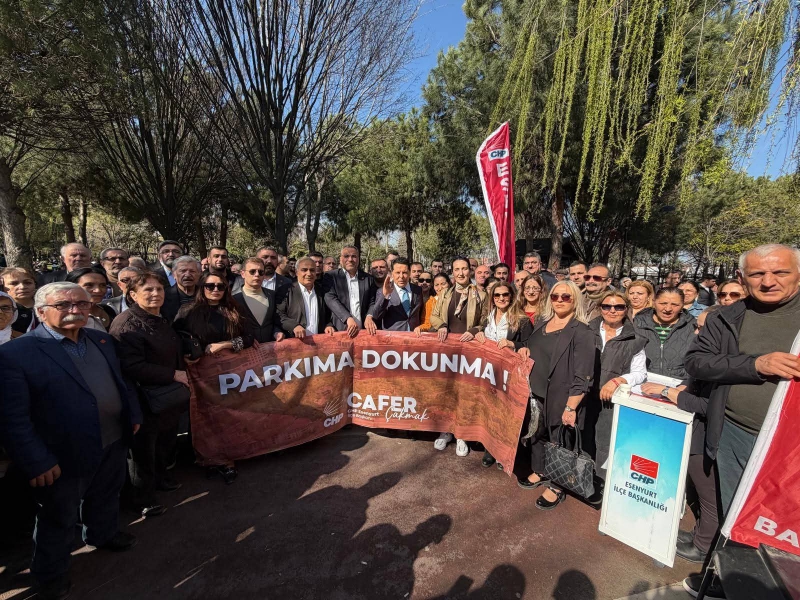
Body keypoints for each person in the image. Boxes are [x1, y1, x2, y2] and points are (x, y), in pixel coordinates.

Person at [0, 282, 141, 600]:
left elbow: (121, 382)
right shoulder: (15, 353)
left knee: (106, 494)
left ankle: (103, 534)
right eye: (63, 305)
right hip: (60, 454)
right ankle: (50, 574)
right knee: (58, 516)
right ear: (40, 312)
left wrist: (131, 414)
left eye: (82, 303)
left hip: (112, 438)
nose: (75, 310)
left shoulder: (101, 339)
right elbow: (12, 418)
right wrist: (36, 461)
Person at [682, 244, 800, 597]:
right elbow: (697, 362)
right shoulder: (726, 317)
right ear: (741, 277)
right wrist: (754, 365)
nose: (768, 281)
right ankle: (734, 580)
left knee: (786, 525)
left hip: (791, 446)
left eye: (780, 272)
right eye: (757, 274)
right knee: (738, 516)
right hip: (735, 434)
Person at [110, 272, 187, 518]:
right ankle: (142, 499)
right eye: (148, 290)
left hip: (166, 397)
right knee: (143, 452)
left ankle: (161, 479)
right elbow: (131, 366)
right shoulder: (126, 325)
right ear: (133, 295)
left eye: (159, 289)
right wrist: (173, 374)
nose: (156, 294)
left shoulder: (159, 317)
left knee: (164, 443)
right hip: (143, 399)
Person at [516, 280, 595, 510]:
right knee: (538, 434)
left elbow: (584, 375)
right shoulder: (543, 322)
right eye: (555, 296)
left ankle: (558, 485)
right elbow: (532, 345)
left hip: (562, 397)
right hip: (536, 393)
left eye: (566, 297)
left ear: (575, 300)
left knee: (560, 441)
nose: (559, 300)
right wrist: (524, 348)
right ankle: (540, 470)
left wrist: (571, 407)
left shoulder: (582, 331)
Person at [174, 273, 253, 484]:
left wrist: (226, 345)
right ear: (202, 288)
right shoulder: (187, 311)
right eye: (210, 286)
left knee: (231, 416)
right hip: (202, 378)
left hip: (232, 376)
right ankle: (211, 459)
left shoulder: (235, 309)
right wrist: (185, 356)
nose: (216, 290)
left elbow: (249, 337)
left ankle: (230, 458)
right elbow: (176, 340)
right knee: (206, 418)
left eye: (220, 286)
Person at [641, 378, 719, 565]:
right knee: (698, 492)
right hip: (698, 431)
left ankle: (703, 547)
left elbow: (708, 405)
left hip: (708, 437)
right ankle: (699, 534)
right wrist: (687, 385)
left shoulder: (726, 372)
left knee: (709, 497)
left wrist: (667, 391)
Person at [429, 257, 488, 457]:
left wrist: (474, 330)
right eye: (457, 269)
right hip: (447, 351)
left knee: (464, 392)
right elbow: (434, 315)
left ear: (469, 271)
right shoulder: (445, 293)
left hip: (468, 351)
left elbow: (486, 319)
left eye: (464, 269)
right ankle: (446, 430)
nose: (461, 273)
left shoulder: (480, 294)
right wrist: (442, 325)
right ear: (452, 272)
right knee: (447, 390)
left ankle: (462, 434)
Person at [588, 291, 647, 490]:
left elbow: (640, 373)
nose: (612, 310)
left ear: (626, 309)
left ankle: (600, 483)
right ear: (600, 308)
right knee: (582, 437)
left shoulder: (635, 339)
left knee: (605, 442)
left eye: (619, 307)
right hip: (584, 396)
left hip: (610, 401)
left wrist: (618, 380)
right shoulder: (586, 330)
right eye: (607, 306)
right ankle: (580, 477)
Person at [475, 281, 534, 467]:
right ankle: (490, 449)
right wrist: (478, 333)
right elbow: (479, 331)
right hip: (488, 372)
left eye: (505, 295)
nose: (501, 298)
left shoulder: (521, 319)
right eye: (497, 295)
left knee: (505, 411)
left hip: (509, 375)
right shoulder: (488, 317)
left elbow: (530, 344)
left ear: (511, 296)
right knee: (490, 409)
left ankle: (504, 452)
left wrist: (513, 344)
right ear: (492, 298)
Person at [633, 287, 696, 379]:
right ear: (654, 302)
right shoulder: (637, 324)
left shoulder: (693, 327)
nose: (668, 309)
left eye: (675, 304)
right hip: (642, 381)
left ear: (682, 305)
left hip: (679, 383)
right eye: (663, 303)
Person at [322, 246, 377, 337]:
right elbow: (330, 299)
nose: (350, 259)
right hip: (339, 331)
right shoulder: (331, 276)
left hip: (364, 333)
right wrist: (347, 318)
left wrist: (369, 316)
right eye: (346, 256)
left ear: (358, 259)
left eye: (354, 256)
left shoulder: (368, 279)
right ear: (340, 259)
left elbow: (372, 301)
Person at [276, 257, 335, 338]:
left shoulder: (322, 290)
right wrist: (293, 326)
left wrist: (328, 325)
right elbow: (279, 314)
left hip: (319, 341)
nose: (309, 273)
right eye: (304, 270)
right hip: (295, 341)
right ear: (296, 272)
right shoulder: (285, 290)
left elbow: (328, 314)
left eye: (312, 270)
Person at [232, 258, 285, 343]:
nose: (257, 275)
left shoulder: (272, 295)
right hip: (246, 348)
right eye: (252, 271)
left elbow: (276, 319)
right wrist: (246, 340)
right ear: (243, 274)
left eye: (261, 272)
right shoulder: (233, 298)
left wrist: (276, 332)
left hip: (271, 347)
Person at [372, 257, 423, 332]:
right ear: (392, 273)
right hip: (393, 336)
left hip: (414, 335)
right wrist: (386, 296)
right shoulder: (382, 291)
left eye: (404, 273)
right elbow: (376, 316)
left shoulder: (418, 290)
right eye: (398, 273)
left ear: (409, 273)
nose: (401, 276)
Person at [162, 255, 202, 322]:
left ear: (199, 274)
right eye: (183, 271)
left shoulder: (205, 294)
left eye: (192, 271)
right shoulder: (164, 296)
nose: (187, 275)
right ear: (174, 274)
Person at [1, 267, 38, 335]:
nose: (22, 287)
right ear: (3, 287)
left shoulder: (48, 305)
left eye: (28, 283)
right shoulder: (2, 311)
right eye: (14, 283)